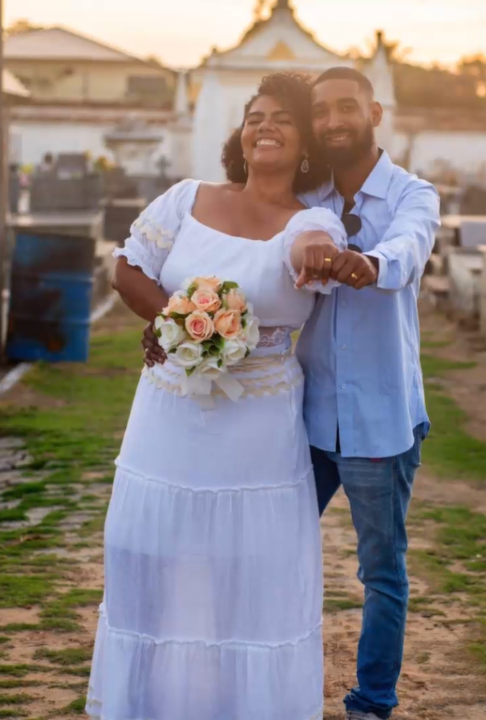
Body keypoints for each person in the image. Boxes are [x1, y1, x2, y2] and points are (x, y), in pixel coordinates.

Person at [87, 73, 361, 719]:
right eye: (254, 116)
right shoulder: (188, 198)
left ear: (304, 145)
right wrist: (174, 323)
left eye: (282, 120)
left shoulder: (314, 219)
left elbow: (313, 246)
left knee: (247, 574)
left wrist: (320, 250)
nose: (264, 126)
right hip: (167, 413)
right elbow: (128, 269)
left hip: (257, 430)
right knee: (143, 552)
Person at [298, 67, 440, 720]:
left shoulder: (414, 195)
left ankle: (370, 705)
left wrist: (369, 265)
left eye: (346, 107)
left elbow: (408, 251)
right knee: (273, 551)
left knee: (381, 573)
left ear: (375, 113)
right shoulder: (306, 199)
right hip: (304, 421)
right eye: (321, 110)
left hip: (380, 422)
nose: (332, 121)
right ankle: (273, 687)